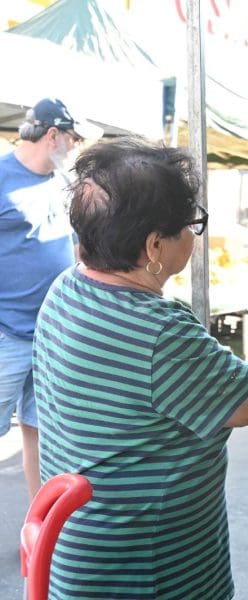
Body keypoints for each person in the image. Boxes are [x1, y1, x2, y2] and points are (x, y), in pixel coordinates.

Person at [32, 137, 248, 600]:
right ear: (154, 245)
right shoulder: (157, 332)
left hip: (77, 552)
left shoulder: (66, 289)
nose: (195, 236)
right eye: (191, 225)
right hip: (145, 571)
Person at [0, 97, 99, 501]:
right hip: (7, 335)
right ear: (52, 134)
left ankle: (40, 531)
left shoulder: (63, 181)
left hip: (52, 336)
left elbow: (78, 248)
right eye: (72, 138)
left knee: (40, 436)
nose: (75, 147)